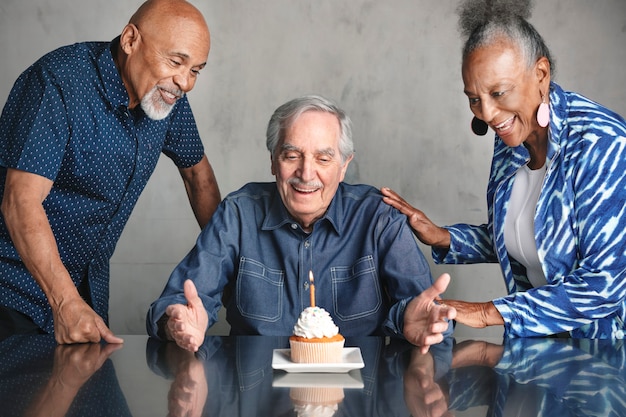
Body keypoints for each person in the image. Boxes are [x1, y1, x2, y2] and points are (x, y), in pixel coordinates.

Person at [382, 0, 626, 338]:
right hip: (536, 351)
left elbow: (605, 283)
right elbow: (522, 237)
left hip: (604, 359)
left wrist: (485, 313)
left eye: (498, 93)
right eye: (474, 98)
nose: (488, 114)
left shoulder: (603, 144)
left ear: (540, 74)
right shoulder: (513, 139)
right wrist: (441, 236)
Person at [146, 95, 456, 352]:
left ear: (345, 165)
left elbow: (426, 312)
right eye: (292, 155)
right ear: (272, 160)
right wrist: (178, 321)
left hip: (357, 400)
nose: (306, 174)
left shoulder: (379, 218)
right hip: (257, 399)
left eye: (323, 159)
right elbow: (171, 306)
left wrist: (413, 319)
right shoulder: (238, 214)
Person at [0, 0, 221, 345]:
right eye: (177, 61)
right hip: (13, 293)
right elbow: (20, 201)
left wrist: (232, 270)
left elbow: (198, 177)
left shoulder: (167, 93)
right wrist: (66, 302)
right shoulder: (57, 82)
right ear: (131, 40)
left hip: (87, 300)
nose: (186, 82)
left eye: (196, 70)